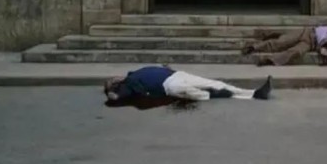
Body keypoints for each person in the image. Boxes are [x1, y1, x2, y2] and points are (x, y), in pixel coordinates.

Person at [104, 65, 272, 103]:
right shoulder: (128, 84)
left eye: (112, 77)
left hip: (177, 74)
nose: (114, 77)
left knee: (215, 83)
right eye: (111, 81)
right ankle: (211, 95)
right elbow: (117, 96)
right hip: (168, 85)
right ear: (115, 85)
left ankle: (254, 93)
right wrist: (112, 94)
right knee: (185, 90)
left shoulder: (133, 73)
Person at [241, 25, 327, 66]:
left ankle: (270, 60)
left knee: (296, 52)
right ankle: (254, 47)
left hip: (310, 43)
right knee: (281, 42)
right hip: (307, 31)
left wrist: (325, 52)